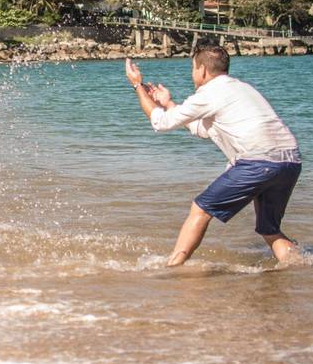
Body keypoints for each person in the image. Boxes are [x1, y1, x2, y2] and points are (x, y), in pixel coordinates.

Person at [124, 45, 302, 266]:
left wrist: (136, 85)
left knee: (200, 209)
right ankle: (302, 267)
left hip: (258, 162)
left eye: (192, 69)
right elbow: (202, 129)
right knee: (269, 229)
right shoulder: (242, 88)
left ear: (203, 71)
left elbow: (161, 122)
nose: (192, 75)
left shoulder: (210, 92)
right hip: (291, 162)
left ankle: (173, 268)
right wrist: (169, 104)